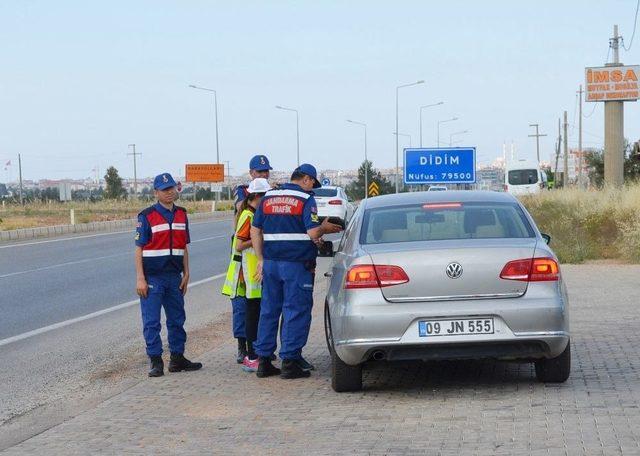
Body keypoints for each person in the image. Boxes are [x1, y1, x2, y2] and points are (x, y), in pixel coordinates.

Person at [250, 164, 343, 379]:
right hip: (296, 265)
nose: (312, 189)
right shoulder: (305, 199)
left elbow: (255, 230)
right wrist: (325, 228)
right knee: (296, 310)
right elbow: (312, 232)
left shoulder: (268, 198)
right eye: (312, 184)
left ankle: (264, 361)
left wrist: (261, 259)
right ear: (307, 180)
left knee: (269, 310)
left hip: (271, 263)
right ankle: (290, 363)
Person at [135, 173, 202, 377]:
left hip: (175, 276)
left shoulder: (182, 214)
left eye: (172, 188)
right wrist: (140, 278)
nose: (170, 192)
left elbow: (184, 247)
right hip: (153, 277)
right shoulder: (146, 216)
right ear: (156, 193)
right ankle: (156, 361)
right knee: (152, 322)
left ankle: (177, 358)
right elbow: (139, 249)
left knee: (177, 319)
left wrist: (187, 272)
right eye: (165, 189)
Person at [222, 178, 271, 372]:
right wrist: (257, 237)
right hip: (248, 273)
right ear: (257, 197)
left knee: (256, 313)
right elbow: (240, 244)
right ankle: (251, 355)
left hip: (254, 273)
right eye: (265, 196)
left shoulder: (252, 213)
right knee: (252, 314)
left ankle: (255, 352)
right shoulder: (248, 217)